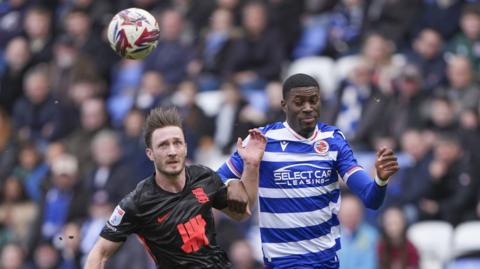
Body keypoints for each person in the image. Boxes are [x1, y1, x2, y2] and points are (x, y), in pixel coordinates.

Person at [217, 73, 399, 268]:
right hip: (283, 262)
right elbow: (217, 179)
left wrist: (380, 179)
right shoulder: (262, 139)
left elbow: (371, 199)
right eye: (299, 102)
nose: (308, 108)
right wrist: (232, 183)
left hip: (325, 262)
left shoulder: (333, 140)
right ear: (284, 105)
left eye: (313, 101)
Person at [84, 107, 267, 268]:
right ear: (150, 154)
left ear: (185, 148)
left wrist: (251, 166)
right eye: (163, 145)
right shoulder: (137, 202)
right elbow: (99, 254)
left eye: (177, 143)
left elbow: (242, 213)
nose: (172, 151)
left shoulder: (203, 177)